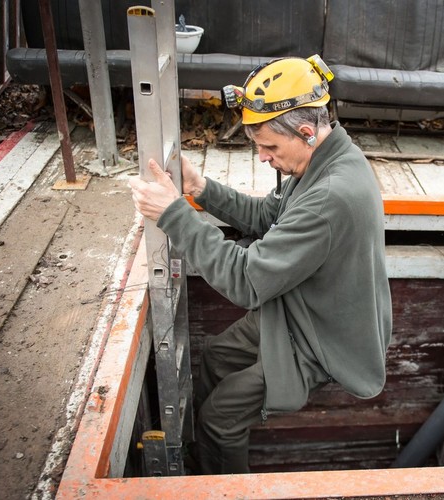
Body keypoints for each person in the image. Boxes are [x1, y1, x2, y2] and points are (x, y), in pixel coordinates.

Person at [129, 56, 393, 474]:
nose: (263, 157)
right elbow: (266, 216)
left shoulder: (330, 195)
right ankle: (204, 468)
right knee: (215, 357)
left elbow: (246, 280)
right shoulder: (324, 158)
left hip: (321, 337)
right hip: (302, 310)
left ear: (306, 131)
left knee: (221, 420)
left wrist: (174, 215)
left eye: (269, 146)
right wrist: (201, 189)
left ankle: (224, 484)